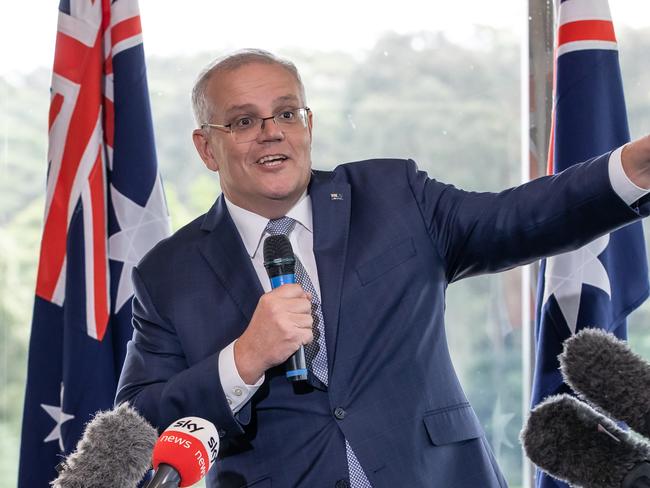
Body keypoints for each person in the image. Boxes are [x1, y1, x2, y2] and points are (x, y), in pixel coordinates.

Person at [116, 49, 650, 487]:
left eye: (286, 113)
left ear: (308, 124)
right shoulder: (169, 273)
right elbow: (139, 422)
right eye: (243, 121)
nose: (271, 132)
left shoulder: (394, 196)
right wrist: (243, 360)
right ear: (207, 148)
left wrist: (630, 172)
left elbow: (517, 218)